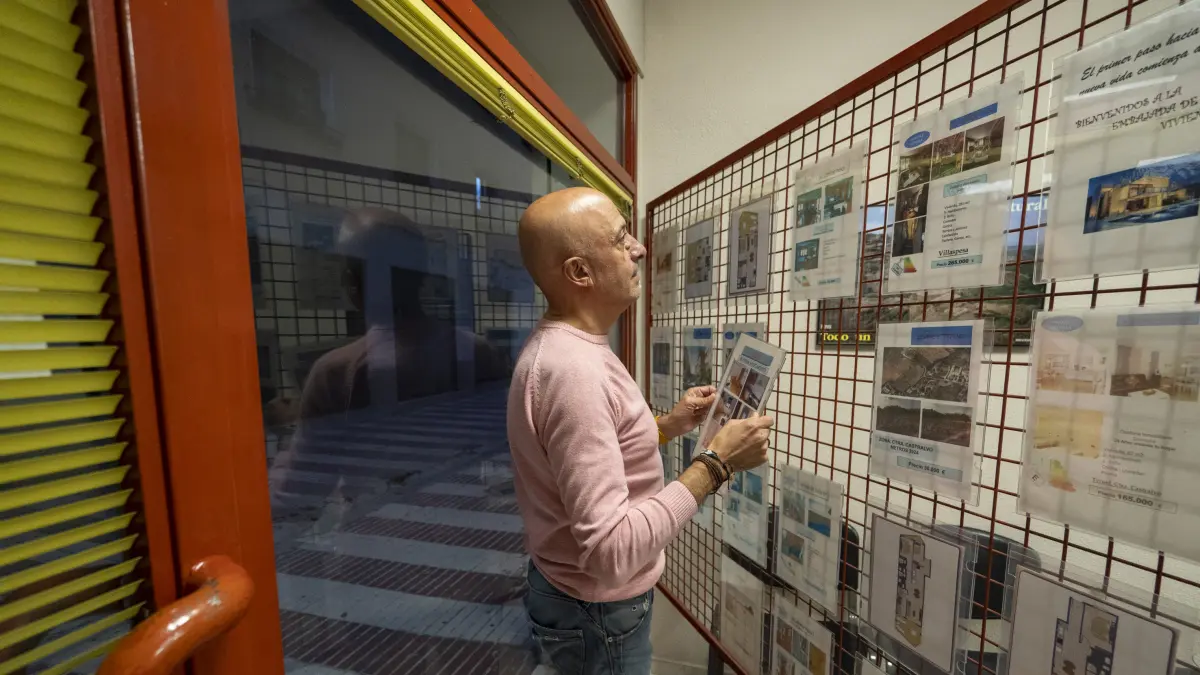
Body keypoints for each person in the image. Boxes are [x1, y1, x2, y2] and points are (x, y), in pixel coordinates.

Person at [507, 187, 774, 675]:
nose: (640, 248)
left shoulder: (570, 350)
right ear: (580, 272)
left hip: (578, 600)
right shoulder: (574, 373)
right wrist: (715, 465)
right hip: (596, 612)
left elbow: (591, 455)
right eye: (620, 239)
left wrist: (668, 426)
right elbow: (609, 553)